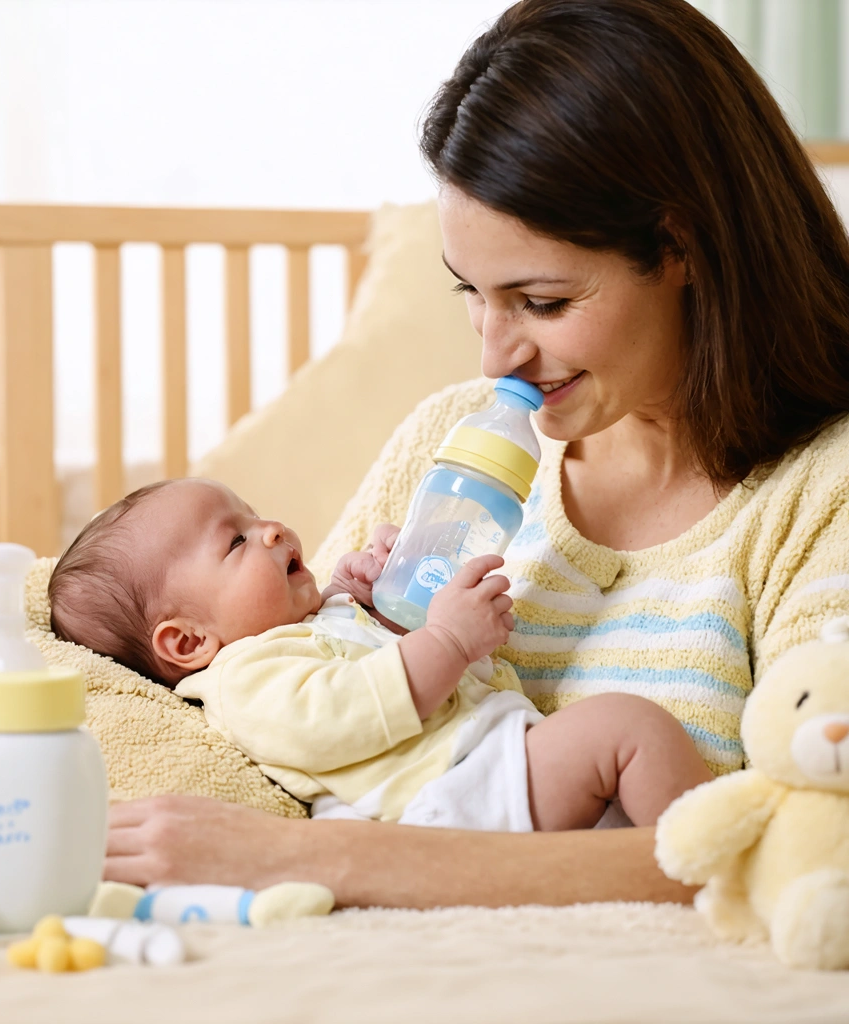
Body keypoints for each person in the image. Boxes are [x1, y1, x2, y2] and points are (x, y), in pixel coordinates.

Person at [99, 0, 849, 908]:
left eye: (541, 301)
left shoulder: (819, 492)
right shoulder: (449, 434)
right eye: (473, 293)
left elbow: (796, 842)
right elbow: (299, 684)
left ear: (680, 244)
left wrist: (322, 861)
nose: (496, 355)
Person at [49, 478, 712, 834]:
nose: (271, 528)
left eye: (253, 513)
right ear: (189, 643)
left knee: (623, 764)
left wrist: (370, 593)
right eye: (235, 541)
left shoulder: (306, 628)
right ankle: (719, 856)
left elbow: (358, 650)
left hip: (477, 769)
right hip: (436, 804)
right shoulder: (243, 680)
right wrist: (446, 640)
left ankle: (665, 847)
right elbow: (340, 713)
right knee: (628, 731)